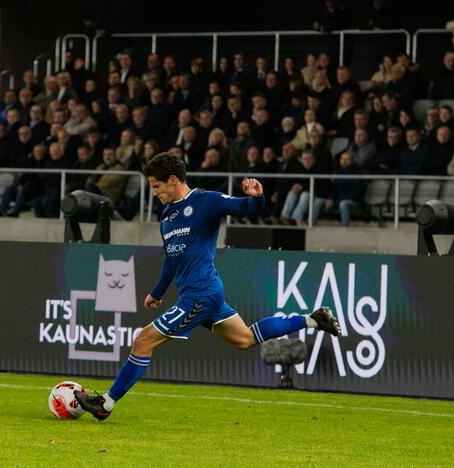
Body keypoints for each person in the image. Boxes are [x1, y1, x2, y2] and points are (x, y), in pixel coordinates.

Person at [73, 152, 340, 421]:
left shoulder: (205, 201)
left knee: (143, 340)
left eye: (156, 186)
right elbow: (171, 259)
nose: (154, 193)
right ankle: (313, 320)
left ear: (173, 180)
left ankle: (105, 404)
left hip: (201, 294)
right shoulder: (167, 216)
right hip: (200, 294)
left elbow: (246, 208)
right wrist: (157, 292)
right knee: (245, 339)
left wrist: (256, 198)